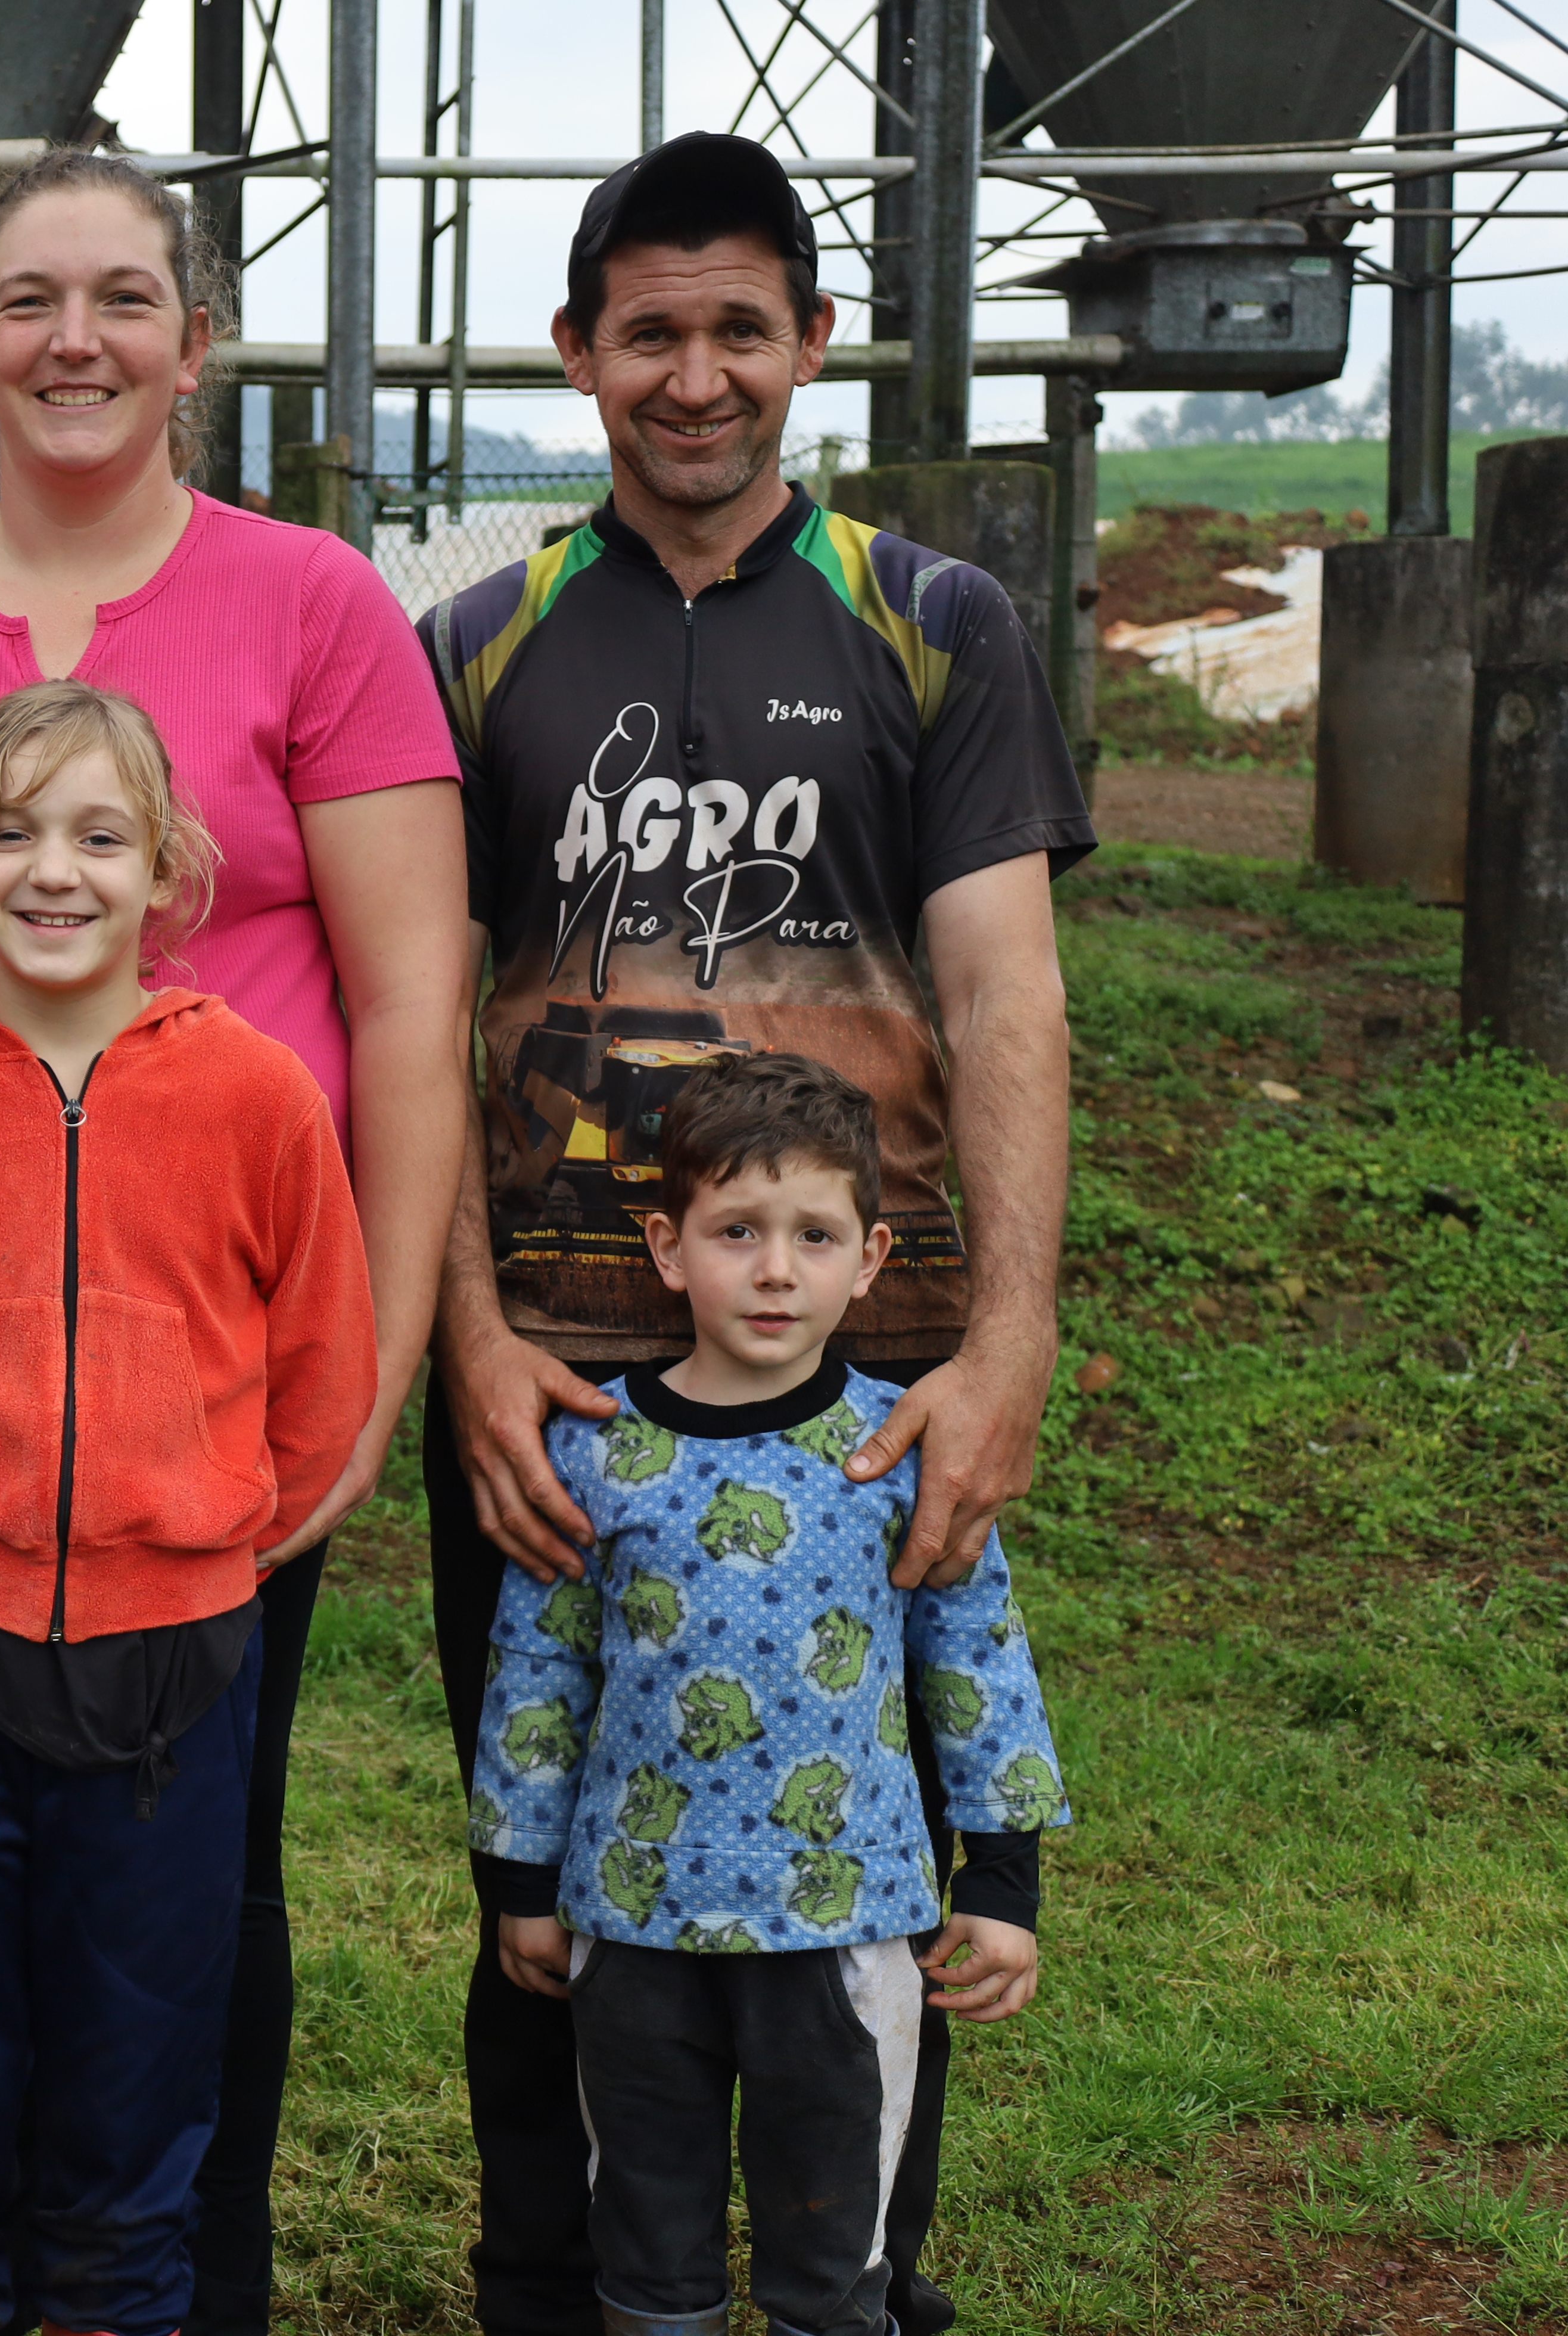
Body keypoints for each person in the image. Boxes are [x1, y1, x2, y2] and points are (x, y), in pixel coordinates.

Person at [0, 150, 465, 2331]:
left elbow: (411, 1009)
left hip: (216, 1380)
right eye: (30, 301)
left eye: (126, 298)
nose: (78, 340)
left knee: (196, 1885)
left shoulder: (315, 606)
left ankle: (165, 2286)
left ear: (194, 345)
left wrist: (371, 1368)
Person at [418, 131, 1090, 2335]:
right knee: (545, 1862)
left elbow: (1006, 994)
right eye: (649, 334)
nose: (692, 377)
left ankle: (850, 2283)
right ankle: (560, 2285)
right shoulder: (480, 642)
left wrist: (1002, 1344)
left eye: (737, 330)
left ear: (810, 343)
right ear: (578, 353)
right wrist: (466, 1340)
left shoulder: (936, 624)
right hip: (559, 1387)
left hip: (858, 1382)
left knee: (867, 1880)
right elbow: (419, 1012)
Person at [0, 682, 378, 2336]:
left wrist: (192, 1531)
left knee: (135, 2096)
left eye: (101, 836)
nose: (55, 871)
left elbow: (321, 1374)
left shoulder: (261, 1098)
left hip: (170, 1669)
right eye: (13, 834)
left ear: (167, 870)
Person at [465, 1052, 1068, 2336]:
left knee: (832, 2254)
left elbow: (977, 1660)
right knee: (646, 2247)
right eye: (738, 1231)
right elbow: (539, 1672)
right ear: (668, 1247)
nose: (777, 1270)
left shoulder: (906, 1451)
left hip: (845, 1932)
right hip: (635, 1926)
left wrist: (1004, 1883)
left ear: (872, 1257)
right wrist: (520, 1881)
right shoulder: (593, 1448)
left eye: (815, 1236)